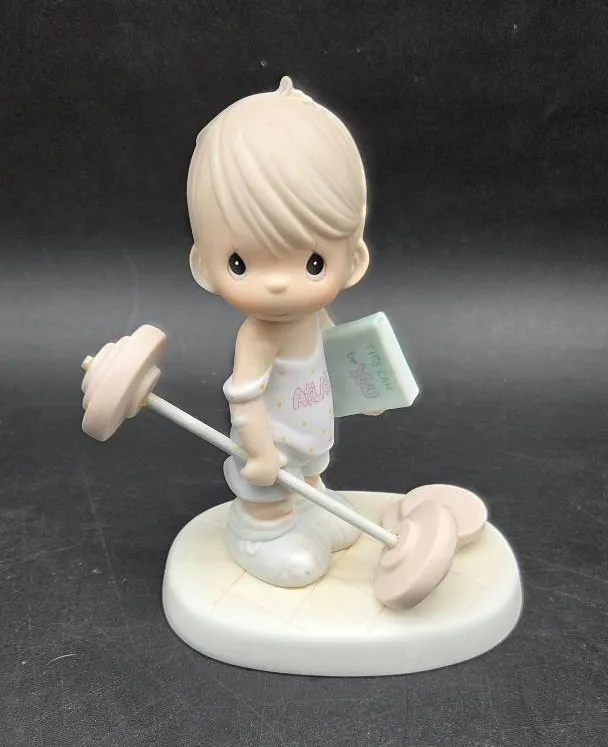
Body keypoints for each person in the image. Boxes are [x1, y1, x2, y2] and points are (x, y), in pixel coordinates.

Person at [186, 76, 370, 587]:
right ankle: (259, 533)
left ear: (354, 260)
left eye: (313, 263)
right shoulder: (258, 337)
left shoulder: (312, 318)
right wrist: (263, 454)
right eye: (240, 263)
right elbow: (244, 402)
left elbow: (339, 352)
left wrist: (369, 389)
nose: (278, 284)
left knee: (311, 472)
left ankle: (311, 506)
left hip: (309, 433)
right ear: (203, 266)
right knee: (270, 494)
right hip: (274, 447)